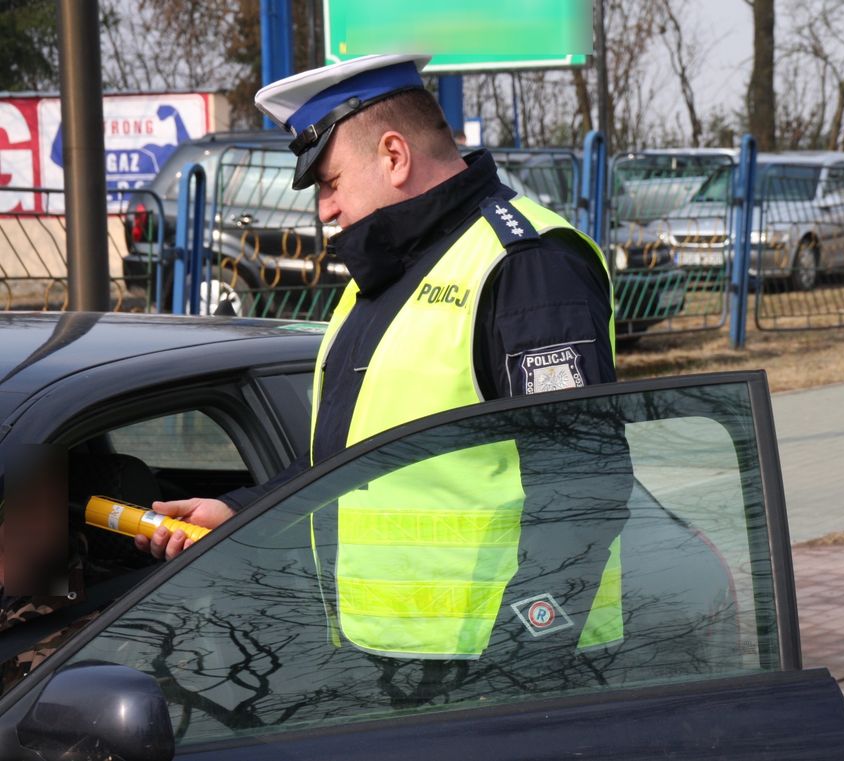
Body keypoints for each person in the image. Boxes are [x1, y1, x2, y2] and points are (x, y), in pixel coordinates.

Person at [135, 54, 630, 695]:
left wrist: (527, 654)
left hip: (509, 674)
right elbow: (356, 467)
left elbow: (582, 487)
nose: (325, 210)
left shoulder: (526, 264)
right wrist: (239, 509)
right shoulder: (384, 280)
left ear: (394, 156)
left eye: (331, 181)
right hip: (403, 666)